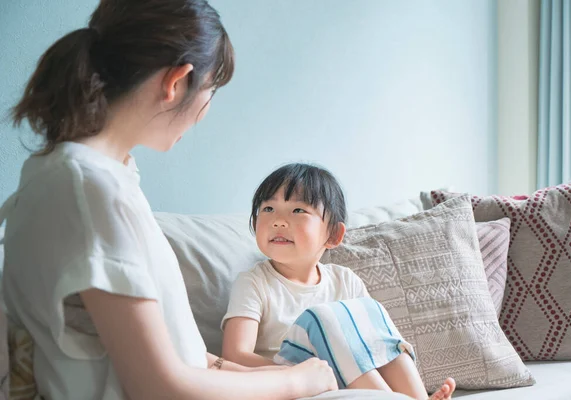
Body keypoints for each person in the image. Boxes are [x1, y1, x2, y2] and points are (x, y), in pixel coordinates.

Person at [0, 1, 340, 399]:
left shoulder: (93, 175)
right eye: (210, 92)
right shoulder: (89, 189)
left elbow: (184, 358)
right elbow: (158, 386)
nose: (205, 111)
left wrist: (289, 377)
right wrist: (294, 381)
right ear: (177, 81)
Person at [222, 163, 456, 400]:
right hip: (294, 383)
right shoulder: (254, 283)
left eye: (297, 211)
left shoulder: (345, 279)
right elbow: (235, 354)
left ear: (333, 235)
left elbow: (376, 346)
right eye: (269, 208)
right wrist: (298, 375)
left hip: (345, 383)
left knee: (371, 312)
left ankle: (417, 398)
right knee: (320, 318)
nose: (278, 221)